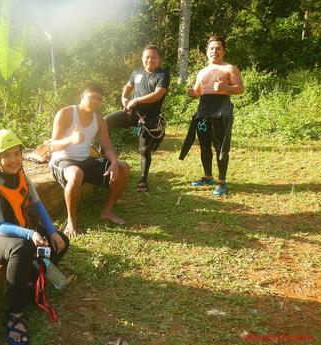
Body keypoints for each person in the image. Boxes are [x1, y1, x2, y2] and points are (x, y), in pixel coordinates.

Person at [0, 129, 69, 345]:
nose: (14, 159)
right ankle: (15, 313)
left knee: (62, 242)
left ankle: (30, 281)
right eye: (6, 155)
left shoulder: (22, 177)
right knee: (22, 248)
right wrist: (30, 233)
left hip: (17, 230)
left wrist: (53, 232)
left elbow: (38, 206)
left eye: (17, 153)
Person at [49, 83, 130, 237]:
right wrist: (71, 139)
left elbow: (108, 148)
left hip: (85, 160)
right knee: (76, 174)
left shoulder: (99, 120)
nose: (95, 102)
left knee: (123, 167)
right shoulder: (66, 113)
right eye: (92, 97)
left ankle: (106, 211)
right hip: (62, 159)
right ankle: (71, 221)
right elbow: (53, 146)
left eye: (99, 99)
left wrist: (113, 163)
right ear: (82, 96)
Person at [179, 35, 244, 196]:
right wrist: (192, 93)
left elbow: (240, 88)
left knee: (220, 146)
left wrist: (226, 87)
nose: (214, 51)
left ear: (223, 51)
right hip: (204, 108)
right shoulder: (202, 71)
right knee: (204, 144)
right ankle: (208, 176)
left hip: (221, 107)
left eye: (218, 48)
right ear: (207, 51)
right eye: (211, 48)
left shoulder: (230, 68)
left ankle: (221, 182)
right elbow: (198, 91)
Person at [104, 44, 170, 192]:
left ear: (159, 59)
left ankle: (143, 180)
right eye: (147, 57)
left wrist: (137, 100)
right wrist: (124, 98)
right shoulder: (136, 72)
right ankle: (104, 158)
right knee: (105, 122)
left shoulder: (162, 74)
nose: (150, 60)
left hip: (149, 118)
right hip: (131, 113)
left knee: (143, 150)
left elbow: (158, 94)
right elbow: (128, 86)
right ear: (142, 58)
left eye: (153, 57)